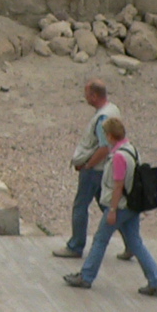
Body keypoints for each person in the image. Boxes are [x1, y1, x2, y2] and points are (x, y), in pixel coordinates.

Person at [62, 115, 157, 296]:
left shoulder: (118, 157)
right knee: (135, 242)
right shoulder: (132, 149)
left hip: (120, 206)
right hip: (132, 205)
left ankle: (86, 276)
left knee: (100, 239)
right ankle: (155, 281)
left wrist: (112, 210)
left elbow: (118, 186)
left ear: (110, 136)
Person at [54, 79, 120, 260]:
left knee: (81, 206)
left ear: (94, 95)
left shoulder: (102, 119)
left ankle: (76, 245)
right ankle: (130, 243)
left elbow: (104, 147)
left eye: (87, 94)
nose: (85, 98)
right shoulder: (113, 110)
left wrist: (88, 165)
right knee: (108, 206)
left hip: (94, 170)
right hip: (104, 169)